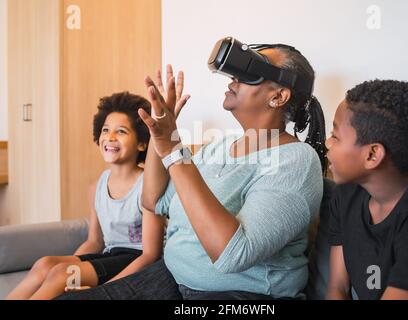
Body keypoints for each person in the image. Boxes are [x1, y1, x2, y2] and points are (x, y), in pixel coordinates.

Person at [56, 42, 326, 300]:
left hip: (243, 296)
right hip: (171, 278)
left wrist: (174, 151)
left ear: (278, 97)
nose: (232, 79)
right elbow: (154, 200)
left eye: (249, 73)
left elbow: (233, 254)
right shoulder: (217, 148)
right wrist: (161, 131)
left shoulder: (296, 161)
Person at [6, 92, 166, 300]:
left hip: (138, 260)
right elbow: (94, 241)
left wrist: (103, 289)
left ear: (142, 144)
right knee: (45, 264)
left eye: (121, 131)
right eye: (105, 130)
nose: (110, 137)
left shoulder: (148, 186)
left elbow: (151, 254)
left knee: (63, 274)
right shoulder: (97, 186)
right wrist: (63, 266)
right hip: (110, 255)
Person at [325, 80, 408, 300]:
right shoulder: (346, 195)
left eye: (335, 136)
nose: (328, 143)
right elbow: (337, 289)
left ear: (372, 155)